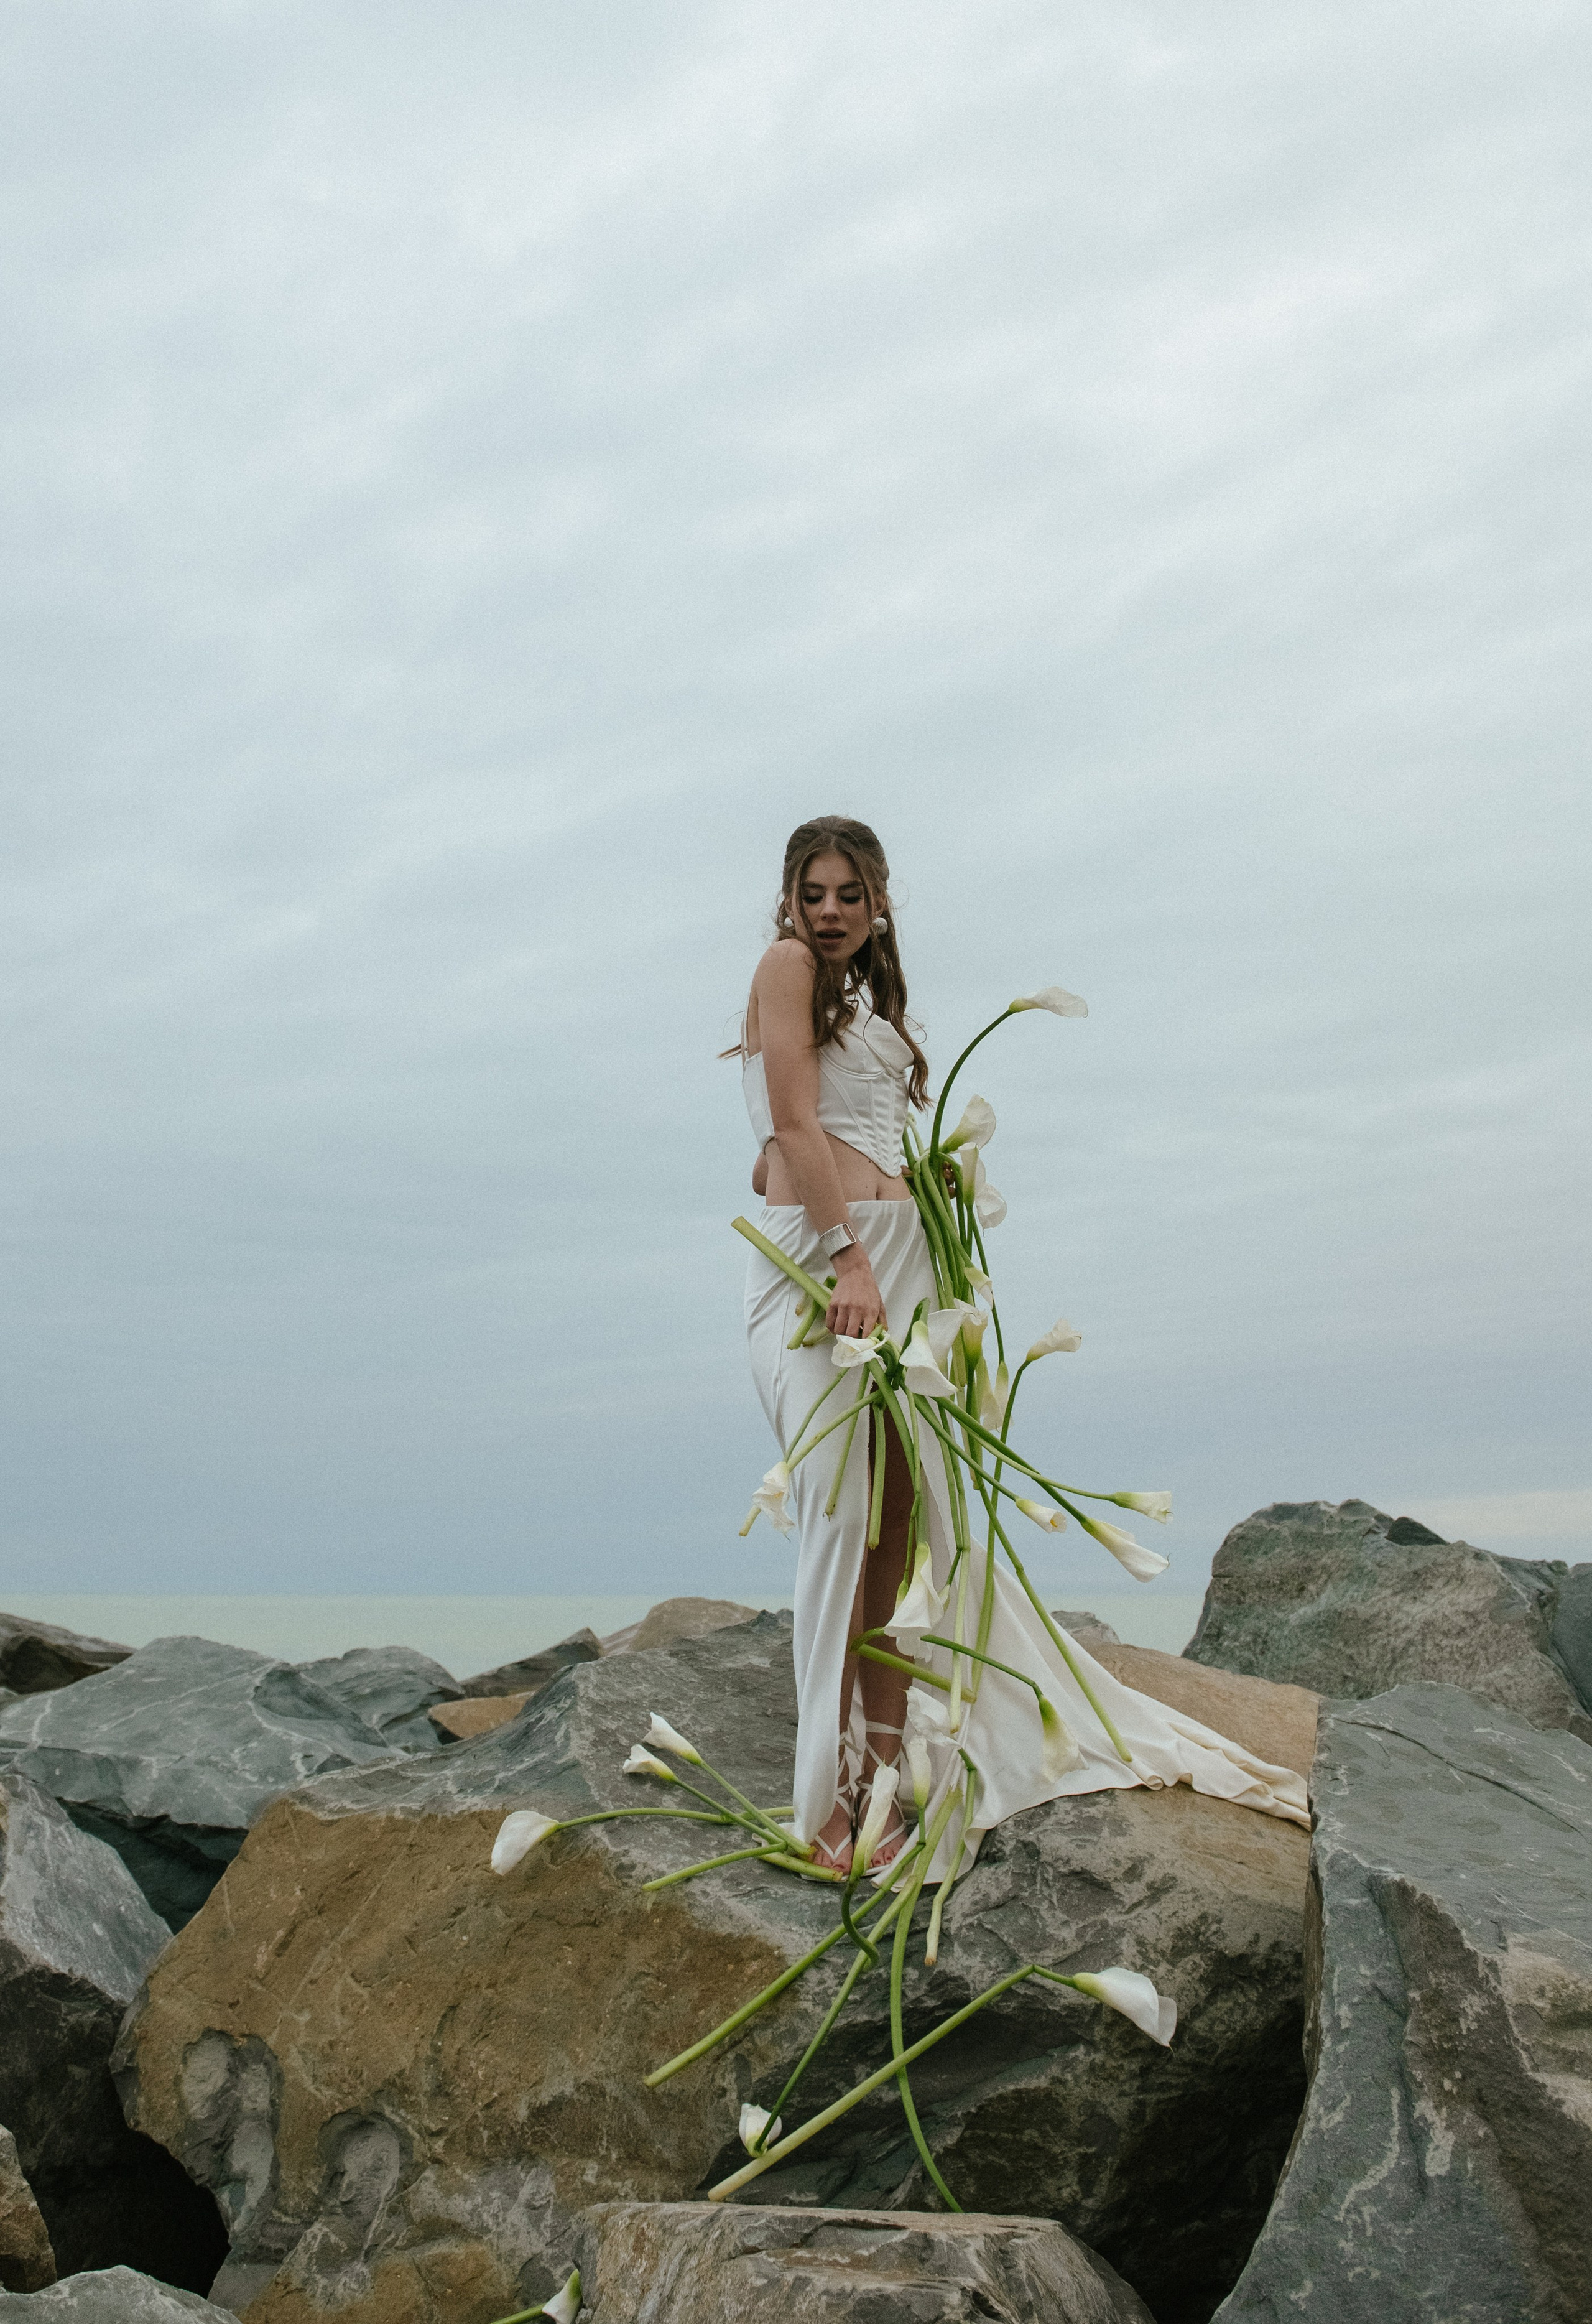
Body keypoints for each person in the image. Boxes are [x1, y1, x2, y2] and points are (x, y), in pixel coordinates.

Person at [739, 816, 1309, 1882]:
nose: (829, 912)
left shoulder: (867, 1001)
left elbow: (853, 1130)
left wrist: (930, 1198)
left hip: (902, 1265)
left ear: (878, 905)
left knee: (903, 1527)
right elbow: (794, 1123)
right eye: (813, 892)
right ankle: (824, 1806)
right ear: (788, 899)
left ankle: (887, 1783)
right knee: (842, 1520)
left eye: (849, 895)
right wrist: (846, 1254)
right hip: (833, 1272)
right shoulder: (784, 968)